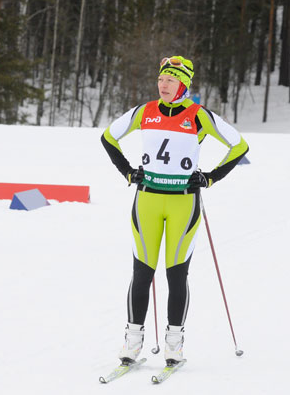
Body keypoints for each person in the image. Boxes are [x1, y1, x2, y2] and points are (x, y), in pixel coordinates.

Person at [100, 56, 249, 366]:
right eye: (160, 79)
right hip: (147, 201)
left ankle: (174, 344)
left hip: (183, 201)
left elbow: (239, 145)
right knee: (142, 273)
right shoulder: (145, 111)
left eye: (169, 79)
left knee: (176, 274)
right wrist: (128, 172)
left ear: (183, 84)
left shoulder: (198, 116)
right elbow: (108, 137)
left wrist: (210, 177)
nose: (162, 84)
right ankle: (132, 340)